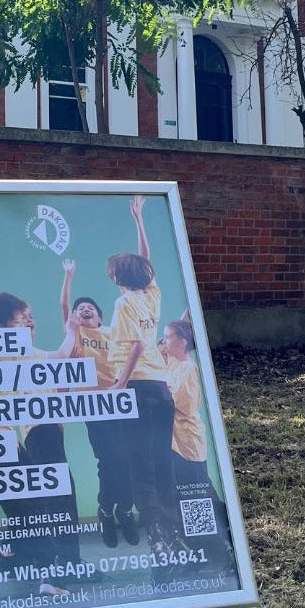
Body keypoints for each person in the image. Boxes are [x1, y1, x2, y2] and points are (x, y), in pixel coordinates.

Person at [0, 289, 82, 597]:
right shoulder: (8, 351)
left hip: (25, 437)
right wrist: (72, 330)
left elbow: (59, 358)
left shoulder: (18, 351)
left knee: (33, 504)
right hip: (31, 434)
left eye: (28, 318)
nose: (27, 324)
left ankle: (11, 555)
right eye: (20, 320)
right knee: (55, 500)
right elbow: (60, 357)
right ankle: (57, 576)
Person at [104, 196, 177, 557]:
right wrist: (139, 220)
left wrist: (120, 383)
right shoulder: (151, 296)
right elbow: (145, 263)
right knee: (161, 461)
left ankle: (157, 538)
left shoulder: (123, 304)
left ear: (118, 277)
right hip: (161, 388)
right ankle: (173, 531)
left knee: (140, 467)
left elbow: (134, 346)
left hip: (136, 388)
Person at [60, 259, 137, 547]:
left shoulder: (110, 333)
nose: (85, 309)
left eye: (90, 308)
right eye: (80, 308)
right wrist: (69, 277)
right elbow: (65, 307)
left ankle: (124, 510)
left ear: (100, 318)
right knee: (108, 461)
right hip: (94, 405)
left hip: (120, 401)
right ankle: (106, 512)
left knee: (128, 459)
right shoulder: (77, 335)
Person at [162, 318, 236, 577]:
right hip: (173, 443)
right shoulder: (172, 361)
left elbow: (184, 405)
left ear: (182, 343)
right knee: (185, 499)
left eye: (168, 337)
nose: (164, 341)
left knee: (200, 499)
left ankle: (228, 552)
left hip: (188, 444)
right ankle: (201, 552)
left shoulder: (188, 370)